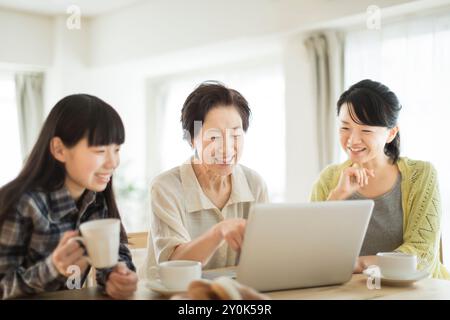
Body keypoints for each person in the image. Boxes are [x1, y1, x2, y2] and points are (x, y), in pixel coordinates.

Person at [0, 94, 138, 299]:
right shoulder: (24, 203)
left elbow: (115, 254)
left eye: (116, 149)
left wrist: (118, 275)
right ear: (59, 149)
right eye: (100, 150)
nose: (113, 163)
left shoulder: (96, 200)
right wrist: (53, 267)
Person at [310, 79, 449, 279]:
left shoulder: (422, 175)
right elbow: (310, 251)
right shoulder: (329, 179)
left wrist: (358, 264)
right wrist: (336, 196)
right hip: (351, 292)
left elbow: (422, 254)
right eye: (345, 127)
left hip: (415, 292)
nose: (352, 140)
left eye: (366, 130)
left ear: (391, 133)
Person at [145, 81, 269, 273]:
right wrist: (219, 232)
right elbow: (175, 266)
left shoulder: (255, 184)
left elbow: (265, 255)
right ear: (191, 139)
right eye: (214, 137)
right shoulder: (165, 188)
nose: (227, 148)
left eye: (235, 135)